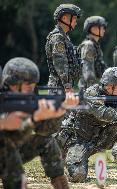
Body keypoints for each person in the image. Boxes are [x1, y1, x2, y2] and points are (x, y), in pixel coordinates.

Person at [0, 57, 79, 189]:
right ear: (14, 84)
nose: (32, 90)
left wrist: (59, 112)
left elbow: (44, 130)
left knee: (46, 141)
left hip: (8, 152)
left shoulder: (26, 100)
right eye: (28, 87)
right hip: (5, 153)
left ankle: (61, 184)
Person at [46, 3, 82, 93]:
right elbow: (60, 62)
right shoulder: (58, 37)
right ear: (64, 18)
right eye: (74, 19)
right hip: (58, 88)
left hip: (62, 87)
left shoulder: (65, 37)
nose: (76, 22)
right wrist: (67, 85)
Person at [78, 16, 108, 90]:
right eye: (102, 27)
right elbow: (88, 72)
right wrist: (95, 89)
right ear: (93, 29)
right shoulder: (89, 45)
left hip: (94, 88)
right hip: (89, 90)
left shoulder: (95, 45)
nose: (104, 30)